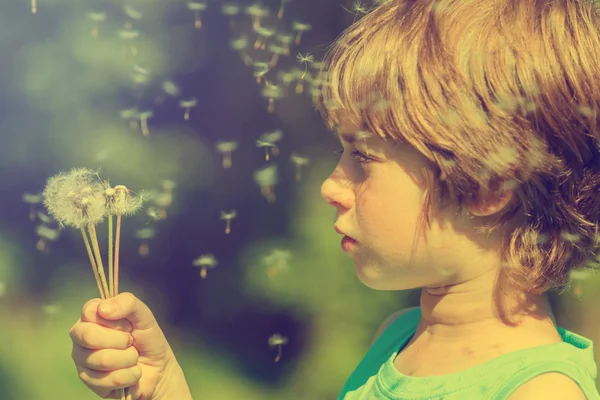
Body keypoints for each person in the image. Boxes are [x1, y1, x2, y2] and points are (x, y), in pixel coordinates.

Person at [69, 0, 600, 398]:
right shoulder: (400, 339)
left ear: (485, 187)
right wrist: (164, 389)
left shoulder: (541, 391)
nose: (330, 184)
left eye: (363, 157)